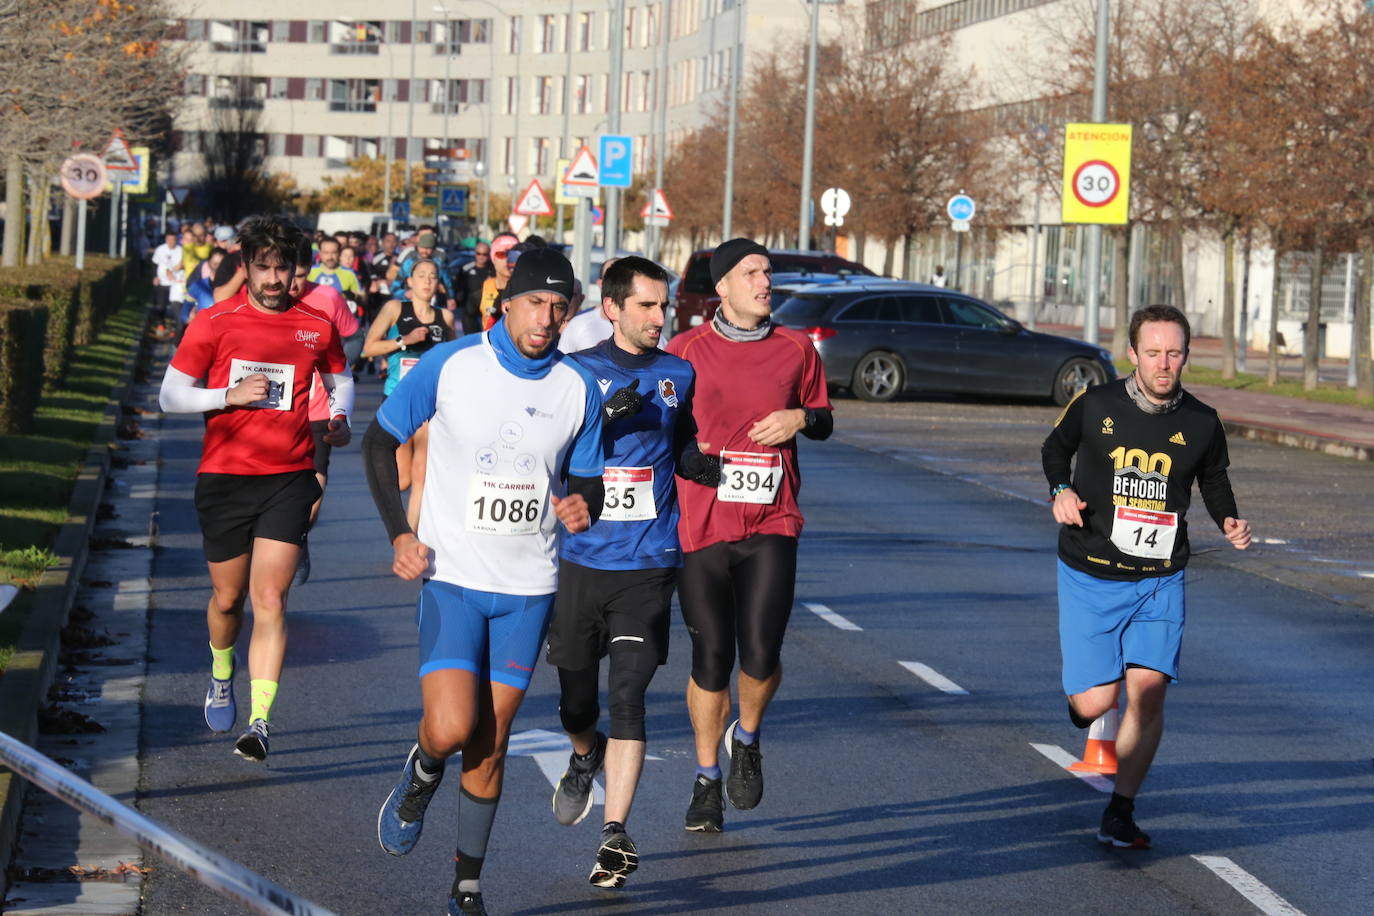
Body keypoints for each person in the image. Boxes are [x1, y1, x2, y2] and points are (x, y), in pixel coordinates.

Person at [364, 248, 603, 916]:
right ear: (505, 300)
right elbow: (378, 443)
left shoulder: (576, 387)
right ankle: (421, 771)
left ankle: (466, 887)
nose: (547, 318)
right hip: (454, 579)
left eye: (560, 307)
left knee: (490, 743)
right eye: (535, 303)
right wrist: (400, 535)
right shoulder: (452, 364)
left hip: (529, 589)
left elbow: (587, 479)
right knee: (449, 727)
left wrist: (586, 503)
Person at [1042, 304, 1251, 849]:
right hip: (1090, 570)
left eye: (1174, 353)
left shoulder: (1202, 421)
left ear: (1186, 355)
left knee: (1150, 689)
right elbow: (1054, 449)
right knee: (1096, 701)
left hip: (1159, 577)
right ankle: (1084, 707)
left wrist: (1228, 517)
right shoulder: (1095, 405)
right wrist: (1060, 492)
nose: (1164, 363)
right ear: (1133, 353)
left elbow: (1214, 478)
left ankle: (1121, 810)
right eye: (1153, 352)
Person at [547, 257, 719, 888]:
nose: (658, 317)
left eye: (663, 305)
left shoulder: (679, 372)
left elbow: (681, 443)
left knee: (629, 695)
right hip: (582, 559)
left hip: (648, 561)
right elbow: (554, 455)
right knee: (576, 703)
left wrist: (703, 466)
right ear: (612, 307)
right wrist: (607, 419)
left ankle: (614, 835)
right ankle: (583, 755)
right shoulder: (577, 371)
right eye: (646, 306)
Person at [157, 216, 354, 761]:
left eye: (281, 267)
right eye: (262, 266)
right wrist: (228, 395)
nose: (272, 278)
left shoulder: (316, 324)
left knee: (270, 598)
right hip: (223, 477)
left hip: (288, 477)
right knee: (229, 598)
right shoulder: (214, 321)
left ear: (296, 270)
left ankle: (260, 720)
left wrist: (339, 416)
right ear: (245, 266)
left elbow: (341, 379)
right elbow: (171, 396)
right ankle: (222, 670)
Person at [665, 238, 833, 832]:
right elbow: (666, 437)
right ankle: (707, 777)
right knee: (711, 660)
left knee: (760, 654)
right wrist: (691, 459)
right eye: (752, 273)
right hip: (702, 524)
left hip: (771, 519)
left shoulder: (795, 350)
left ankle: (750, 737)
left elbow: (823, 418)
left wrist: (801, 418)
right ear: (723, 288)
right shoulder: (685, 351)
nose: (766, 282)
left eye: (767, 271)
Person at [362, 259, 456, 533]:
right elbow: (368, 348)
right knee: (402, 479)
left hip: (431, 404)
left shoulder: (445, 318)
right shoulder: (394, 309)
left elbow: (453, 360)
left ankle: (409, 537)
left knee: (422, 475)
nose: (427, 281)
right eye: (421, 276)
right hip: (398, 400)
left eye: (433, 276)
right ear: (410, 282)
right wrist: (405, 341)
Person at [287, 246, 361, 585]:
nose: (292, 284)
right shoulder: (263, 299)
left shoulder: (328, 297)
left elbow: (354, 337)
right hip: (277, 411)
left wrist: (339, 369)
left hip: (318, 408)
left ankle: (297, 537)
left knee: (313, 498)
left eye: (300, 276)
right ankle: (279, 539)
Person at [558, 258, 619, 353]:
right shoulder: (579, 323)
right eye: (610, 278)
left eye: (623, 278)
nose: (617, 283)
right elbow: (562, 364)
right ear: (600, 283)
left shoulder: (639, 324)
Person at [478, 233, 520, 330]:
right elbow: (468, 315)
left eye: (512, 254)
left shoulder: (528, 290)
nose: (507, 259)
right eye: (502, 254)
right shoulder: (483, 289)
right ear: (493, 257)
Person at [455, 241, 493, 334]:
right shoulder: (466, 269)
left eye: (484, 254)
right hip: (469, 312)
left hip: (488, 311)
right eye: (478, 253)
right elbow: (458, 288)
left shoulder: (493, 270)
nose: (481, 257)